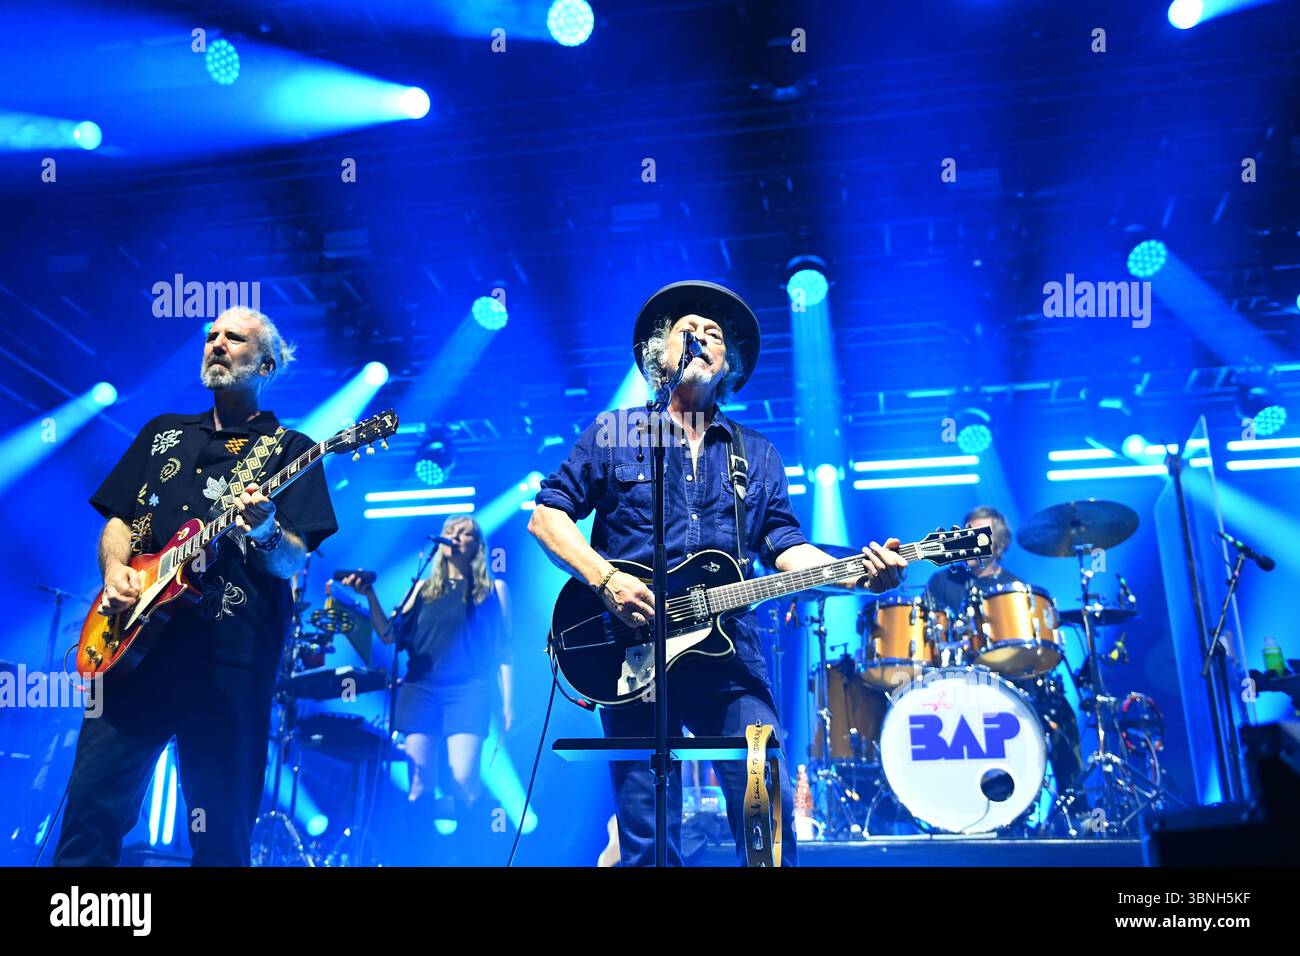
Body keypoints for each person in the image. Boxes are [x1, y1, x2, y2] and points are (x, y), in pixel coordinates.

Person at [528, 280, 906, 866]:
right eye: (688, 329)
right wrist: (607, 581)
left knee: (765, 809)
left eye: (715, 334)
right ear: (661, 353)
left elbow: (785, 547)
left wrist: (857, 574)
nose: (703, 336)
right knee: (648, 837)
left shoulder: (755, 453)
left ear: (729, 363)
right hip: (629, 653)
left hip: (731, 660)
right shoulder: (616, 432)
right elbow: (548, 517)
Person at [54, 307, 338, 866]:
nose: (217, 344)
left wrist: (263, 528)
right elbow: (117, 519)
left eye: (234, 338)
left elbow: (290, 562)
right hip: (132, 652)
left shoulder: (292, 448)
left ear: (267, 364)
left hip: (229, 663)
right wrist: (115, 571)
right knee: (90, 813)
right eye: (211, 335)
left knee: (221, 831)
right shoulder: (162, 432)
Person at [342, 514, 512, 860]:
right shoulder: (422, 588)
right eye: (451, 530)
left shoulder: (491, 590)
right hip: (421, 689)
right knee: (420, 784)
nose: (455, 536)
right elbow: (389, 635)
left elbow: (503, 651)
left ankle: (474, 856)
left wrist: (509, 703)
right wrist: (369, 594)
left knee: (464, 778)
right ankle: (419, 857)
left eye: (465, 533)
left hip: (468, 689)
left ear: (477, 545)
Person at [924, 504, 1087, 804]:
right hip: (959, 682)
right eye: (966, 534)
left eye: (979, 535)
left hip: (1010, 681)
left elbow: (1029, 649)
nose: (970, 540)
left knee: (1059, 710)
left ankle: (1076, 807)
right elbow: (930, 639)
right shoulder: (943, 583)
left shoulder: (1016, 589)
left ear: (998, 543)